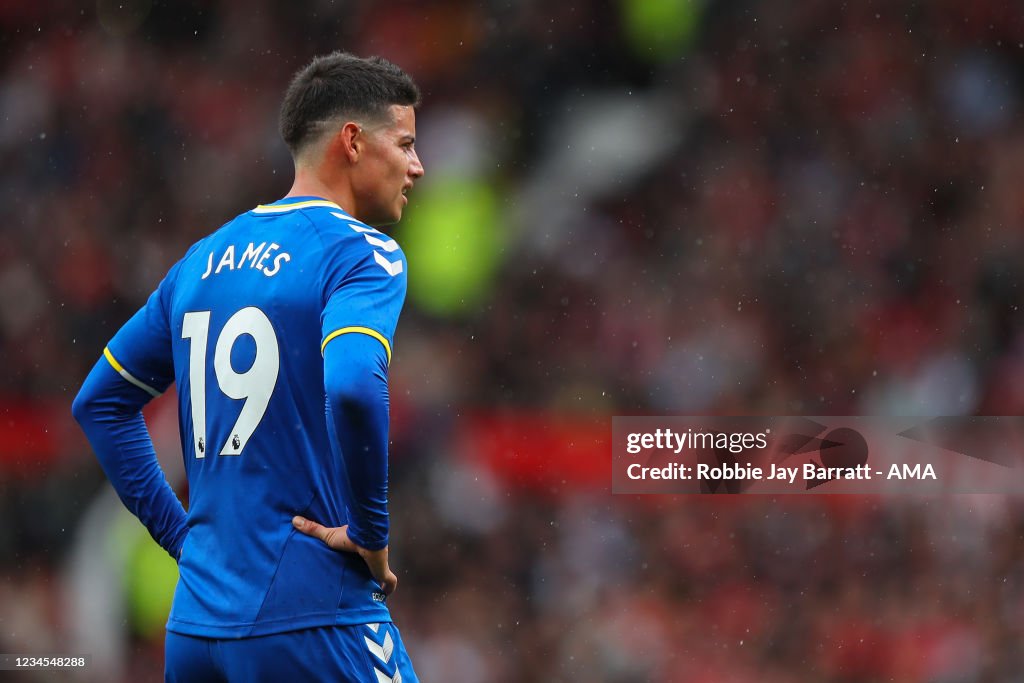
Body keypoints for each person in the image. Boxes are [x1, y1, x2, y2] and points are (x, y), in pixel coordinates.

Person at [72, 52, 424, 683]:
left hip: (196, 630)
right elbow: (352, 383)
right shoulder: (361, 253)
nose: (417, 167)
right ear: (352, 141)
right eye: (405, 143)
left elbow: (99, 404)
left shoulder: (201, 261)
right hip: (313, 614)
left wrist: (185, 541)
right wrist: (371, 532)